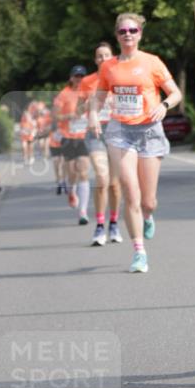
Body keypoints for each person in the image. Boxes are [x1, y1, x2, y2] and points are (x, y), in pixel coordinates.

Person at [89, 13, 182, 273]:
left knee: (148, 201)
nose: (127, 34)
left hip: (149, 130)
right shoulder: (109, 67)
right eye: (122, 31)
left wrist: (164, 105)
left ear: (140, 33)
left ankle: (148, 216)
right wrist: (94, 115)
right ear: (117, 36)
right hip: (120, 131)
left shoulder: (152, 62)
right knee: (131, 192)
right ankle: (139, 252)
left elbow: (175, 93)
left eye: (132, 30)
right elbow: (97, 98)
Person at [79, 42, 123, 246]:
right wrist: (88, 105)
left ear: (112, 56)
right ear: (95, 60)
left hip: (116, 132)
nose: (103, 59)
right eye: (99, 56)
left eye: (106, 55)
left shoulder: (121, 76)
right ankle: (99, 226)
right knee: (102, 178)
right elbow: (78, 110)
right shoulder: (87, 81)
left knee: (114, 184)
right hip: (95, 132)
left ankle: (113, 223)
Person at [53, 66, 92, 224]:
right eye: (76, 76)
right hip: (68, 136)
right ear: (71, 77)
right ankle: (71, 191)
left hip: (84, 136)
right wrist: (68, 116)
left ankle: (83, 212)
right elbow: (55, 115)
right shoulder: (63, 94)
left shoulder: (89, 92)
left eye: (82, 76)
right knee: (71, 171)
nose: (79, 78)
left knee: (83, 171)